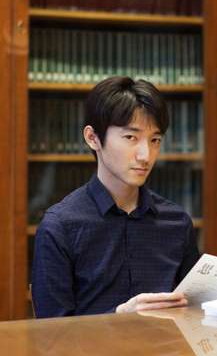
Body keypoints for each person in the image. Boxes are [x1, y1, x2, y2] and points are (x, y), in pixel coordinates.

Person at [32, 76, 200, 318]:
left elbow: (193, 314)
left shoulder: (177, 223)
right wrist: (120, 316)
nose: (146, 155)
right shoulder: (59, 228)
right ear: (93, 138)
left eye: (155, 140)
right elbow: (50, 338)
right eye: (131, 137)